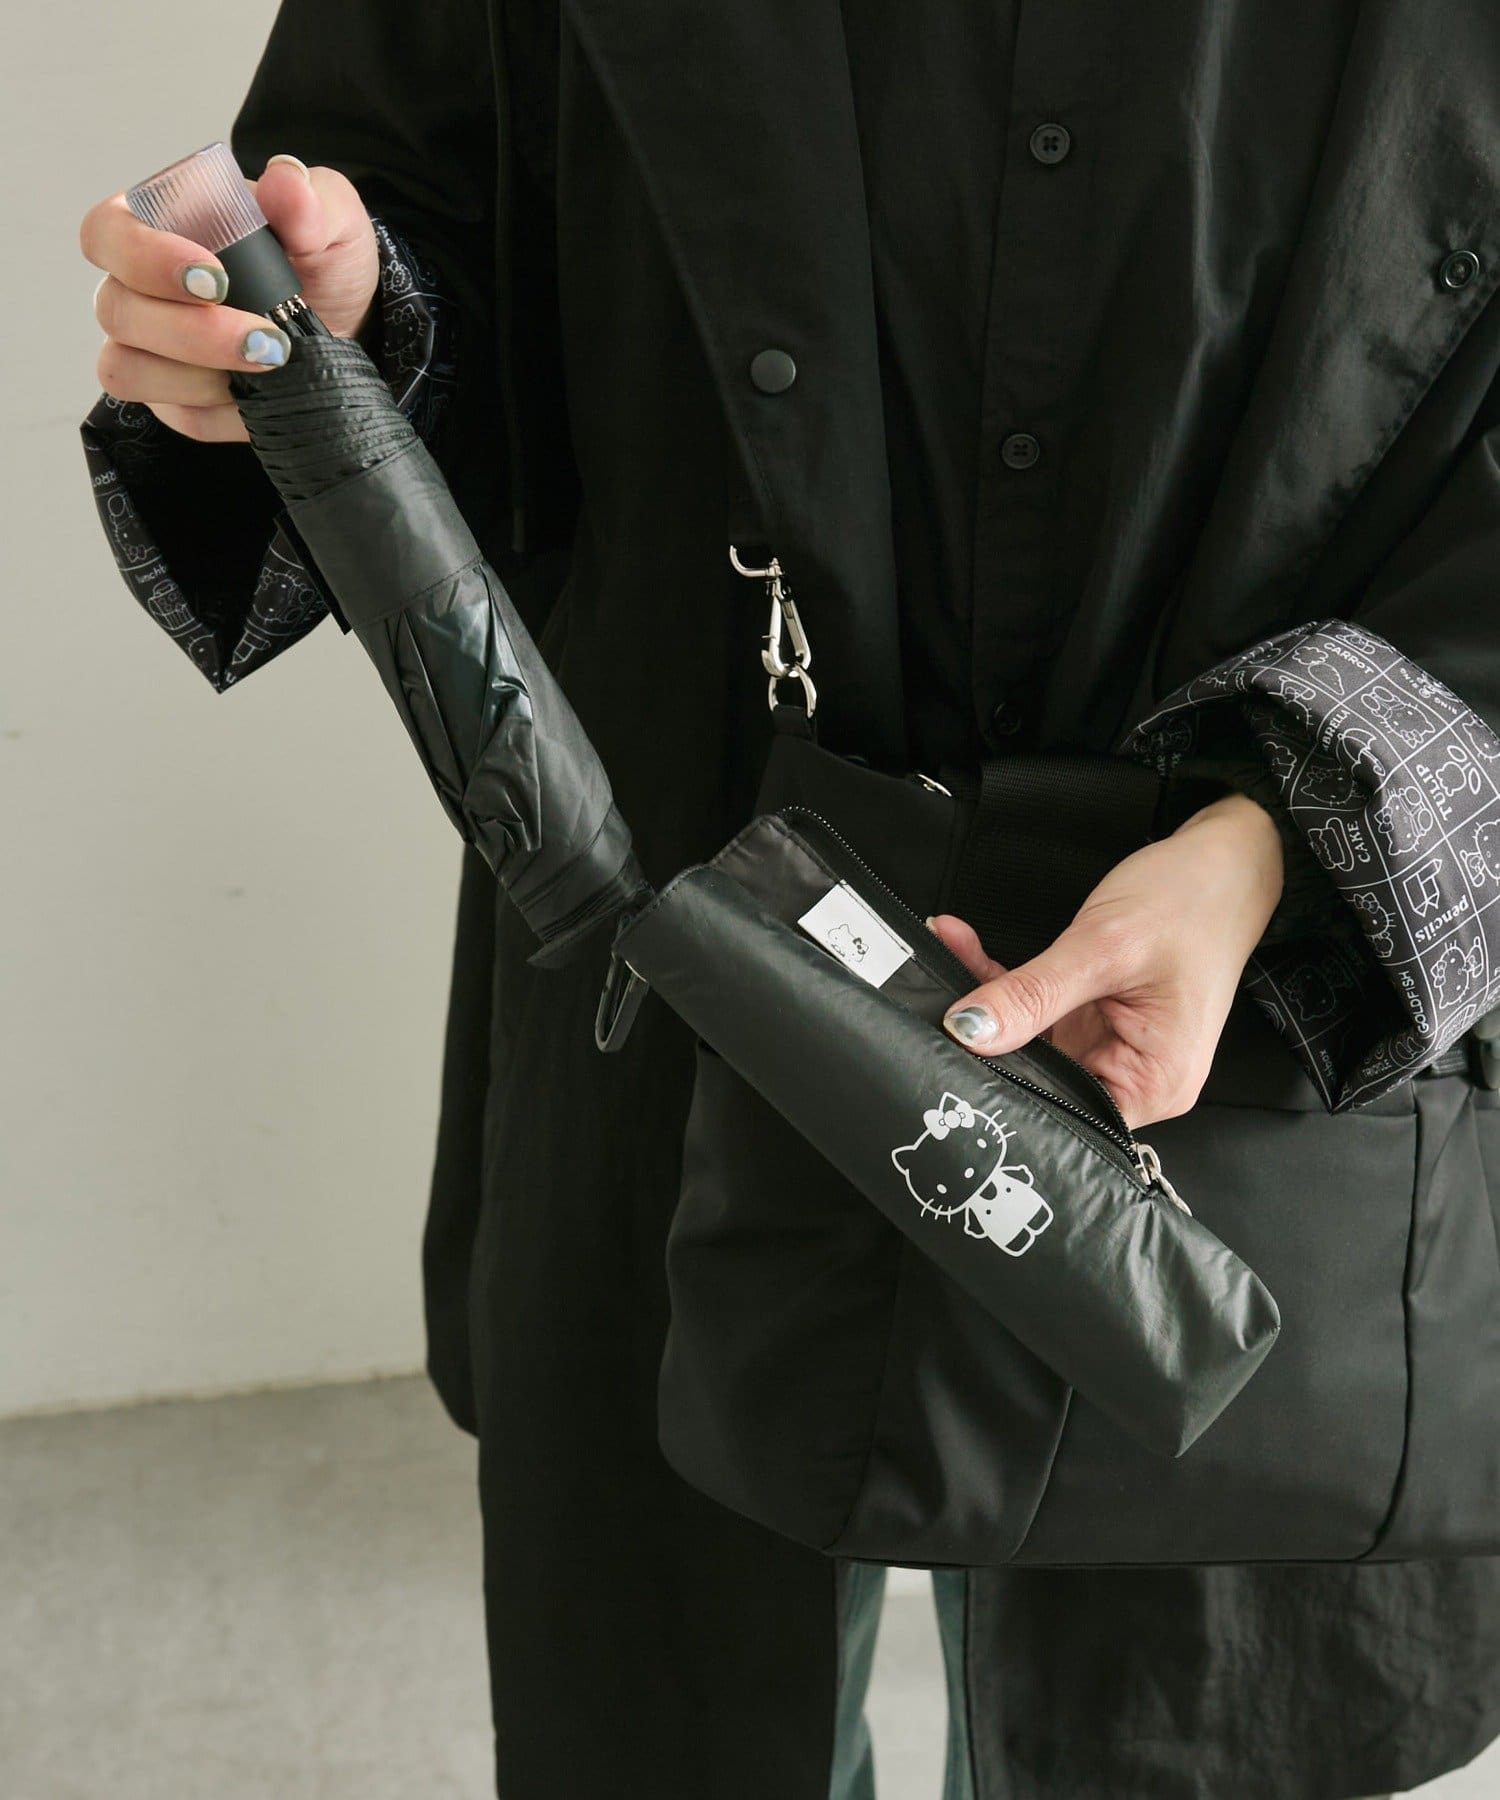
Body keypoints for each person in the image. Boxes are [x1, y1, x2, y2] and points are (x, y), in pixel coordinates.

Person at [76, 4, 1500, 1796]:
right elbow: (418, 193)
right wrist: (337, 332)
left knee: (1194, 1687)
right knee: (686, 1676)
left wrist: (1277, 839)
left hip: (1272, 944)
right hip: (687, 861)